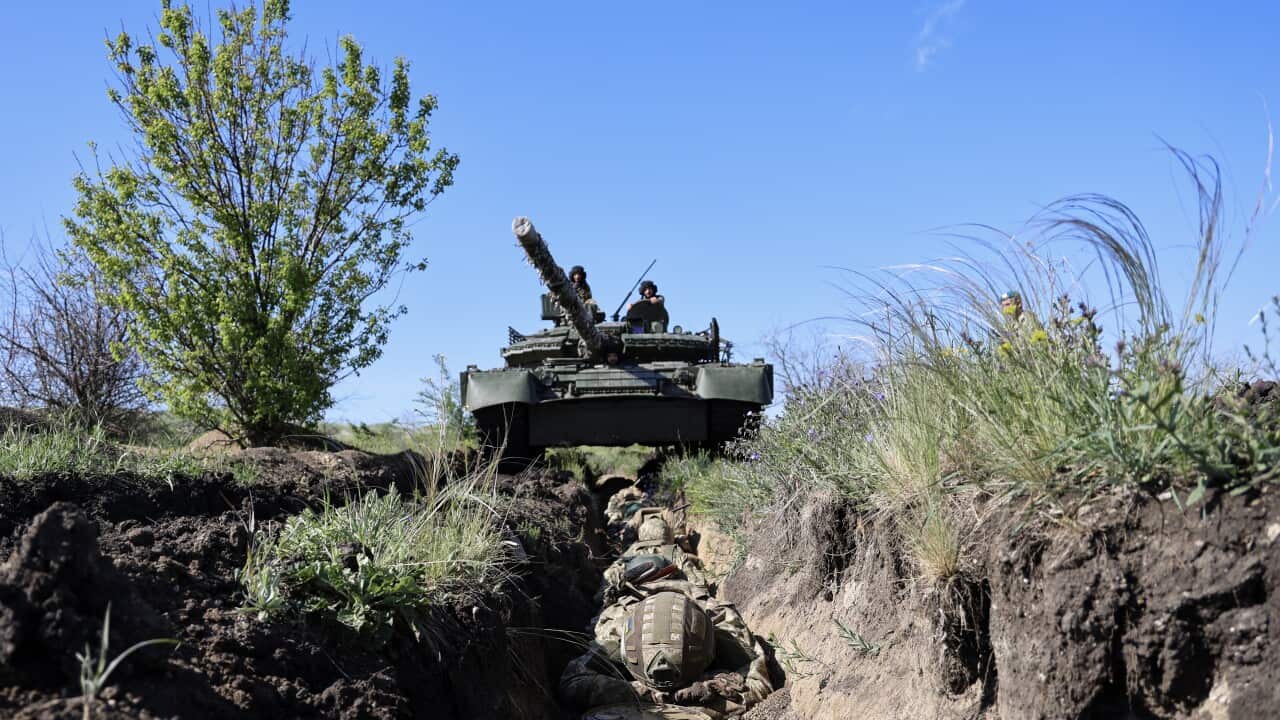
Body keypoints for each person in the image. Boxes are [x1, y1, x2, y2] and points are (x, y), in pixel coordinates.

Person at [560, 585, 773, 719]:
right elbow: (572, 682)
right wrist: (650, 694)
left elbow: (760, 685)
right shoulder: (616, 635)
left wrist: (710, 685)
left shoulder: (724, 631)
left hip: (688, 594)